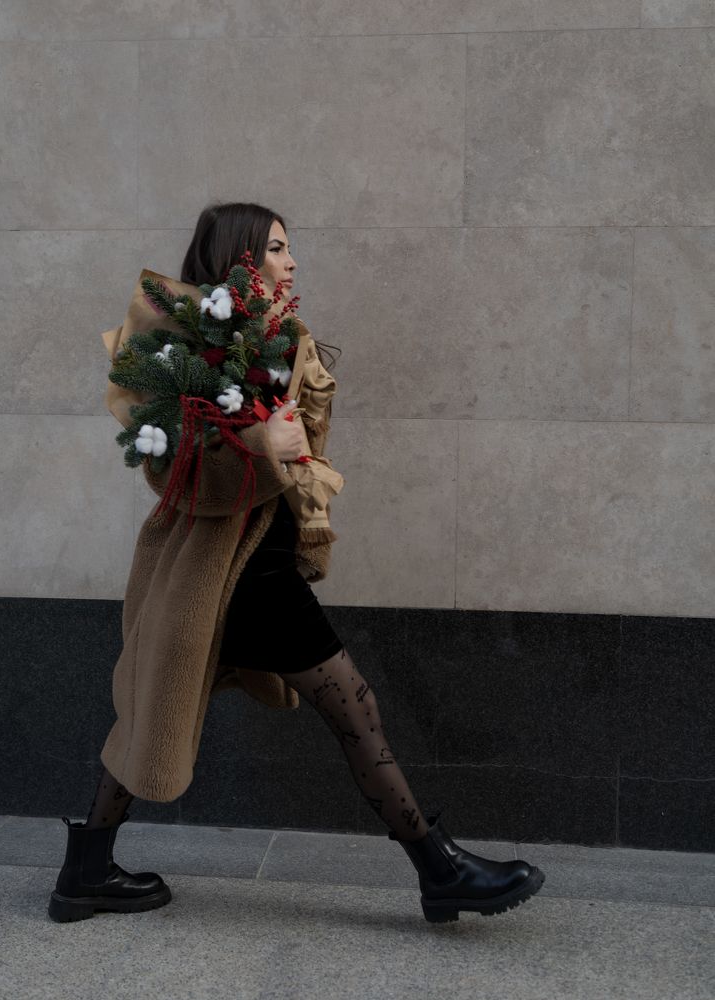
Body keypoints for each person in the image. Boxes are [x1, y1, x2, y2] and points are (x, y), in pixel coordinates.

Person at [48, 202, 545, 925]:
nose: (292, 261)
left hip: (251, 567)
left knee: (154, 711)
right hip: (245, 577)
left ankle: (85, 871)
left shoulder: (272, 341)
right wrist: (260, 446)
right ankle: (440, 870)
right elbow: (174, 474)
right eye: (278, 248)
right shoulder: (189, 349)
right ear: (241, 259)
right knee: (354, 709)